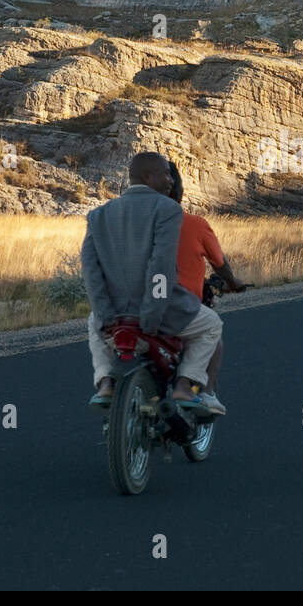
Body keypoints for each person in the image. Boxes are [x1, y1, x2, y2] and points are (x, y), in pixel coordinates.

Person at [81, 151, 223, 411]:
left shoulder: (98, 215)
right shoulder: (167, 208)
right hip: (159, 311)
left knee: (93, 324)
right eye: (165, 174)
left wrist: (104, 313)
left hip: (115, 311)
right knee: (212, 325)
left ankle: (105, 382)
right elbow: (161, 267)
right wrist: (151, 316)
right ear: (148, 177)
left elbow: (91, 271)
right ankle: (184, 384)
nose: (171, 180)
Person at [166, 161, 246, 415]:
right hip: (180, 308)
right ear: (179, 192)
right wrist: (233, 283)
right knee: (212, 331)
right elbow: (219, 263)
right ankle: (205, 392)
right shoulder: (194, 224)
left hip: (131, 305)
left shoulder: (130, 223)